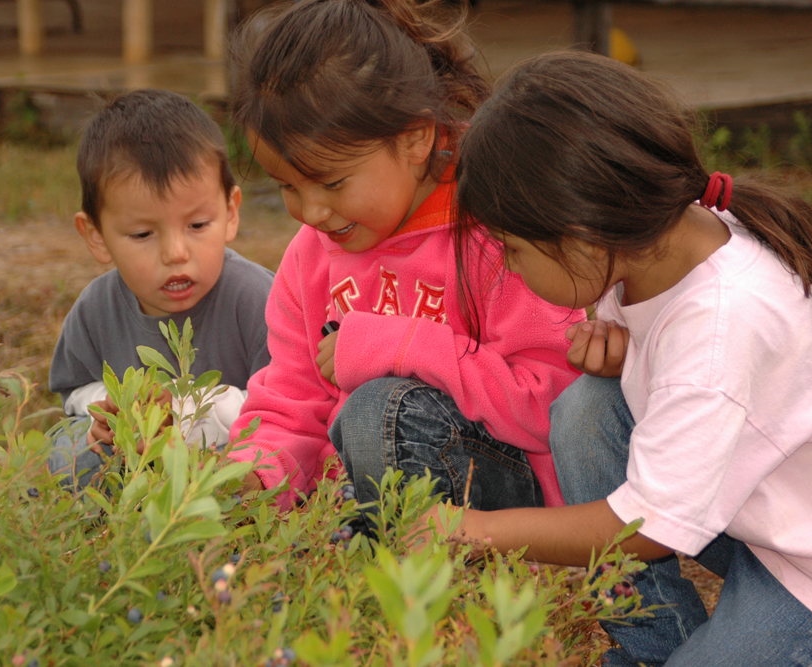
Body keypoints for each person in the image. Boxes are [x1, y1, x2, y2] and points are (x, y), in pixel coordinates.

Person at [450, 51, 812, 666]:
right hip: (766, 520)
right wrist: (631, 364)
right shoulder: (663, 240)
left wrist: (474, 529)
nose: (506, 266)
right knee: (590, 406)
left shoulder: (722, 324)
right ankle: (650, 645)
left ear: (583, 236)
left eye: (512, 248)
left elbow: (643, 528)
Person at [225, 0, 583, 517]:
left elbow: (554, 407)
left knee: (378, 411)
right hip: (360, 500)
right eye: (287, 186)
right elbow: (291, 399)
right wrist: (253, 476)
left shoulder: (501, 235)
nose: (311, 211)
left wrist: (406, 347)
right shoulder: (310, 256)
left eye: (331, 182)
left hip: (502, 509)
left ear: (414, 139)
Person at [48, 90, 273, 490]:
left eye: (198, 225)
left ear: (231, 212)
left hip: (224, 462)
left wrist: (185, 413)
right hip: (130, 458)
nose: (176, 253)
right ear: (96, 236)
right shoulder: (96, 308)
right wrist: (112, 412)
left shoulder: (256, 298)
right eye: (142, 234)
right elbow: (72, 390)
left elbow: (285, 405)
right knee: (64, 451)